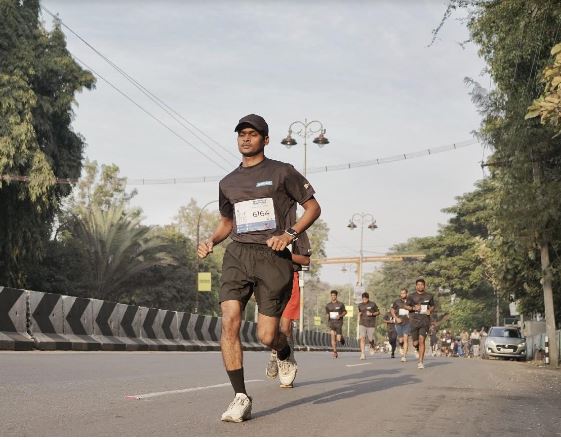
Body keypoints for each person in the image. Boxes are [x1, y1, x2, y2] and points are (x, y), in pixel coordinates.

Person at [197, 114, 321, 423]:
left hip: (272, 256)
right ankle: (240, 396)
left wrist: (289, 235)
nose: (246, 138)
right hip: (238, 254)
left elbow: (313, 208)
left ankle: (282, 352)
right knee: (229, 321)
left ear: (265, 139)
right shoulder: (228, 182)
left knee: (267, 336)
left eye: (253, 134)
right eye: (241, 134)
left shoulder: (282, 172)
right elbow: (227, 221)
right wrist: (211, 239)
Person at [265, 231, 312, 388]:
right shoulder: (265, 229)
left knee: (285, 327)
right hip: (269, 280)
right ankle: (275, 352)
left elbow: (305, 259)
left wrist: (284, 253)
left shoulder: (297, 231)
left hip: (290, 280)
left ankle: (286, 359)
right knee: (270, 327)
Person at [406, 277, 435, 369]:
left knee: (422, 340)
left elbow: (433, 306)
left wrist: (429, 310)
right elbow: (406, 306)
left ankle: (420, 362)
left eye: (422, 284)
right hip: (414, 321)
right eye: (418, 285)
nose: (420, 286)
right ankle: (417, 348)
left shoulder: (429, 296)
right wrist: (414, 308)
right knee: (415, 343)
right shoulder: (411, 296)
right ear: (416, 286)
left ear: (424, 286)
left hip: (424, 321)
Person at [390, 288, 411, 362]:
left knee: (406, 339)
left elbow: (414, 309)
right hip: (398, 323)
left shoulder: (410, 301)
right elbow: (392, 310)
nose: (402, 294)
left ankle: (404, 356)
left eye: (404, 293)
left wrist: (411, 315)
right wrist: (396, 318)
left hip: (407, 322)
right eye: (401, 293)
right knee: (401, 339)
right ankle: (401, 346)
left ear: (407, 294)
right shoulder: (397, 302)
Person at [357, 292, 380, 359]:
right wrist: (359, 316)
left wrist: (372, 314)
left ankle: (372, 346)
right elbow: (359, 312)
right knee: (362, 338)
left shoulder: (373, 304)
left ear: (368, 298)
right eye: (363, 299)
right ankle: (362, 354)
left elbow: (378, 312)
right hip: (362, 323)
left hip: (371, 324)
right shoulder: (360, 305)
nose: (364, 300)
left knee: (370, 339)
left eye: (365, 299)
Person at [326, 290, 347, 358]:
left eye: (334, 295)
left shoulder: (340, 304)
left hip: (339, 323)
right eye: (332, 295)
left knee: (338, 338)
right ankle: (335, 352)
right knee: (332, 337)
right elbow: (327, 313)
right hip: (331, 323)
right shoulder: (328, 305)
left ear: (336, 296)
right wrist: (327, 316)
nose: (333, 297)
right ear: (331, 296)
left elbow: (345, 312)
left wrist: (340, 315)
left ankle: (342, 339)